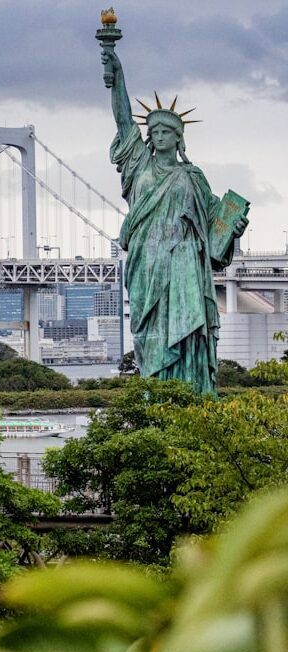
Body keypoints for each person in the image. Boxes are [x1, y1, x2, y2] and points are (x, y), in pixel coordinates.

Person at [102, 46, 248, 395]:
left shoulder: (193, 177)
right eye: (154, 132)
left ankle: (193, 396)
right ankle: (157, 399)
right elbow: (123, 121)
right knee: (151, 338)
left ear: (179, 138)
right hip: (148, 264)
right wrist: (117, 75)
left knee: (189, 337)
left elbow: (216, 228)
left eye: (167, 132)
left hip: (185, 267)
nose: (159, 136)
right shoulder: (138, 166)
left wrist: (234, 231)